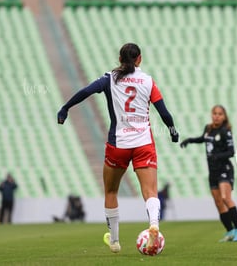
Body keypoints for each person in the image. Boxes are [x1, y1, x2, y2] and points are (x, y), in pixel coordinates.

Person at [57, 43, 179, 254]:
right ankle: (154, 225)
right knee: (150, 191)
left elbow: (85, 91)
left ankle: (114, 241)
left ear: (120, 59)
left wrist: (65, 108)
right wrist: (172, 130)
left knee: (111, 190)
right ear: (139, 59)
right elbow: (164, 112)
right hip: (143, 144)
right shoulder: (148, 81)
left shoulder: (109, 79)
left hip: (118, 144)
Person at [180, 105, 237, 242]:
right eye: (215, 113)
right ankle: (230, 231)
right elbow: (202, 139)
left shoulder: (225, 131)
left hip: (224, 169)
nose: (217, 116)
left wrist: (217, 156)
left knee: (226, 198)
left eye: (220, 114)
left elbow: (231, 152)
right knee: (218, 202)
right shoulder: (208, 129)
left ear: (224, 116)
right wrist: (190, 140)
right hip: (213, 171)